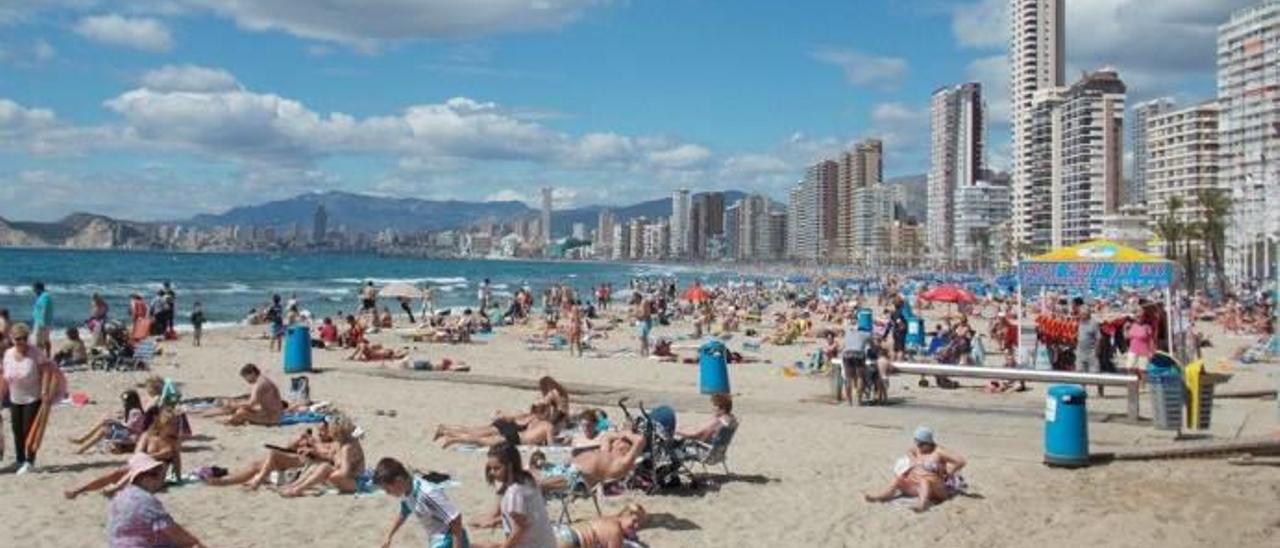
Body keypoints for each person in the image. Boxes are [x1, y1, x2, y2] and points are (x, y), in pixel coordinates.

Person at [104, 453, 205, 547]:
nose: (159, 479)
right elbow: (171, 529)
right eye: (155, 474)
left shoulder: (120, 496)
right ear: (143, 477)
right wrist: (196, 543)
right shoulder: (145, 500)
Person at [473, 442, 557, 548]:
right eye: (491, 468)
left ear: (509, 466)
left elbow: (520, 529)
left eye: (496, 468)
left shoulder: (514, 493)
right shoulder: (527, 480)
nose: (492, 473)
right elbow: (526, 517)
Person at [865, 426, 967, 512]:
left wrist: (950, 472)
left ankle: (922, 505)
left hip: (936, 488)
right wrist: (913, 460)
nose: (919, 446)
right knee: (899, 478)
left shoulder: (939, 452)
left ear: (929, 442)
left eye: (922, 444)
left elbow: (961, 461)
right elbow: (909, 451)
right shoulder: (918, 449)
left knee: (925, 480)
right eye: (917, 442)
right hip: (917, 486)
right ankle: (881, 497)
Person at [373, 457, 469, 548]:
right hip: (437, 539)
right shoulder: (407, 490)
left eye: (387, 489)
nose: (387, 493)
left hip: (448, 539)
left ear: (398, 481)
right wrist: (389, 535)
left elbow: (456, 518)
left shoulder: (427, 494)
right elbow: (405, 511)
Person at [2, 322, 59, 473]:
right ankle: (20, 459)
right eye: (17, 338)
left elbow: (47, 370)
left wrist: (45, 391)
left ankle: (30, 461)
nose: (21, 341)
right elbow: (5, 377)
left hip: (33, 397)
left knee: (29, 430)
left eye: (24, 338)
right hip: (15, 397)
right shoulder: (8, 354)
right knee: (16, 430)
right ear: (12, 339)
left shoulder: (36, 352)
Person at [279, 415, 365, 496]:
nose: (329, 433)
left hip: (356, 483)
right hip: (345, 480)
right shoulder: (339, 443)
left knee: (325, 467)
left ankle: (297, 490)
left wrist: (330, 471)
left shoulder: (348, 448)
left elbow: (344, 472)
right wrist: (315, 453)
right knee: (316, 466)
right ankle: (294, 485)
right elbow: (329, 455)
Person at [69, 389, 146, 454]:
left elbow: (130, 427)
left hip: (132, 436)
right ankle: (82, 439)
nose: (123, 403)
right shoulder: (131, 410)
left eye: (124, 401)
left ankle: (82, 448)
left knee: (104, 430)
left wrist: (116, 422)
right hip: (128, 433)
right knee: (105, 421)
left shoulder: (136, 412)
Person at [210, 363, 285, 426]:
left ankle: (230, 422)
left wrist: (234, 405)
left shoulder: (259, 384)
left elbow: (251, 403)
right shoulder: (262, 380)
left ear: (252, 373)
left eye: (246, 377)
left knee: (241, 412)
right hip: (271, 413)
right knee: (242, 409)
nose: (246, 380)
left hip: (272, 417)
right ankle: (234, 421)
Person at [553, 503, 646, 548]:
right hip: (572, 541)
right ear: (624, 515)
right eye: (634, 521)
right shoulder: (616, 531)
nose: (636, 526)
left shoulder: (606, 519)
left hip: (562, 531)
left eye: (640, 524)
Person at [841, 323, 871, 406]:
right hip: (859, 354)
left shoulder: (848, 332)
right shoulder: (866, 334)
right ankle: (859, 400)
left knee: (848, 378)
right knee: (860, 377)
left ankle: (849, 401)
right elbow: (872, 346)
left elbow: (843, 345)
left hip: (847, 353)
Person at [31, 281, 53, 356]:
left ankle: (41, 356)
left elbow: (44, 309)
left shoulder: (45, 296)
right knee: (45, 340)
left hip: (42, 322)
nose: (33, 291)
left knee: (39, 341)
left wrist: (42, 323)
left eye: (34, 289)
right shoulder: (42, 296)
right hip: (43, 321)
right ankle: (46, 355)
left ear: (38, 289)